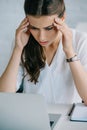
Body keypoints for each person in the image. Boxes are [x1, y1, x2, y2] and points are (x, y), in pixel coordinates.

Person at [0, 0, 87, 104]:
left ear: (62, 19)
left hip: (67, 118)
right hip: (32, 116)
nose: (41, 37)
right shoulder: (22, 41)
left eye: (49, 28)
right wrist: (18, 49)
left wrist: (69, 51)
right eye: (34, 28)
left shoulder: (81, 41)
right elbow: (4, 96)